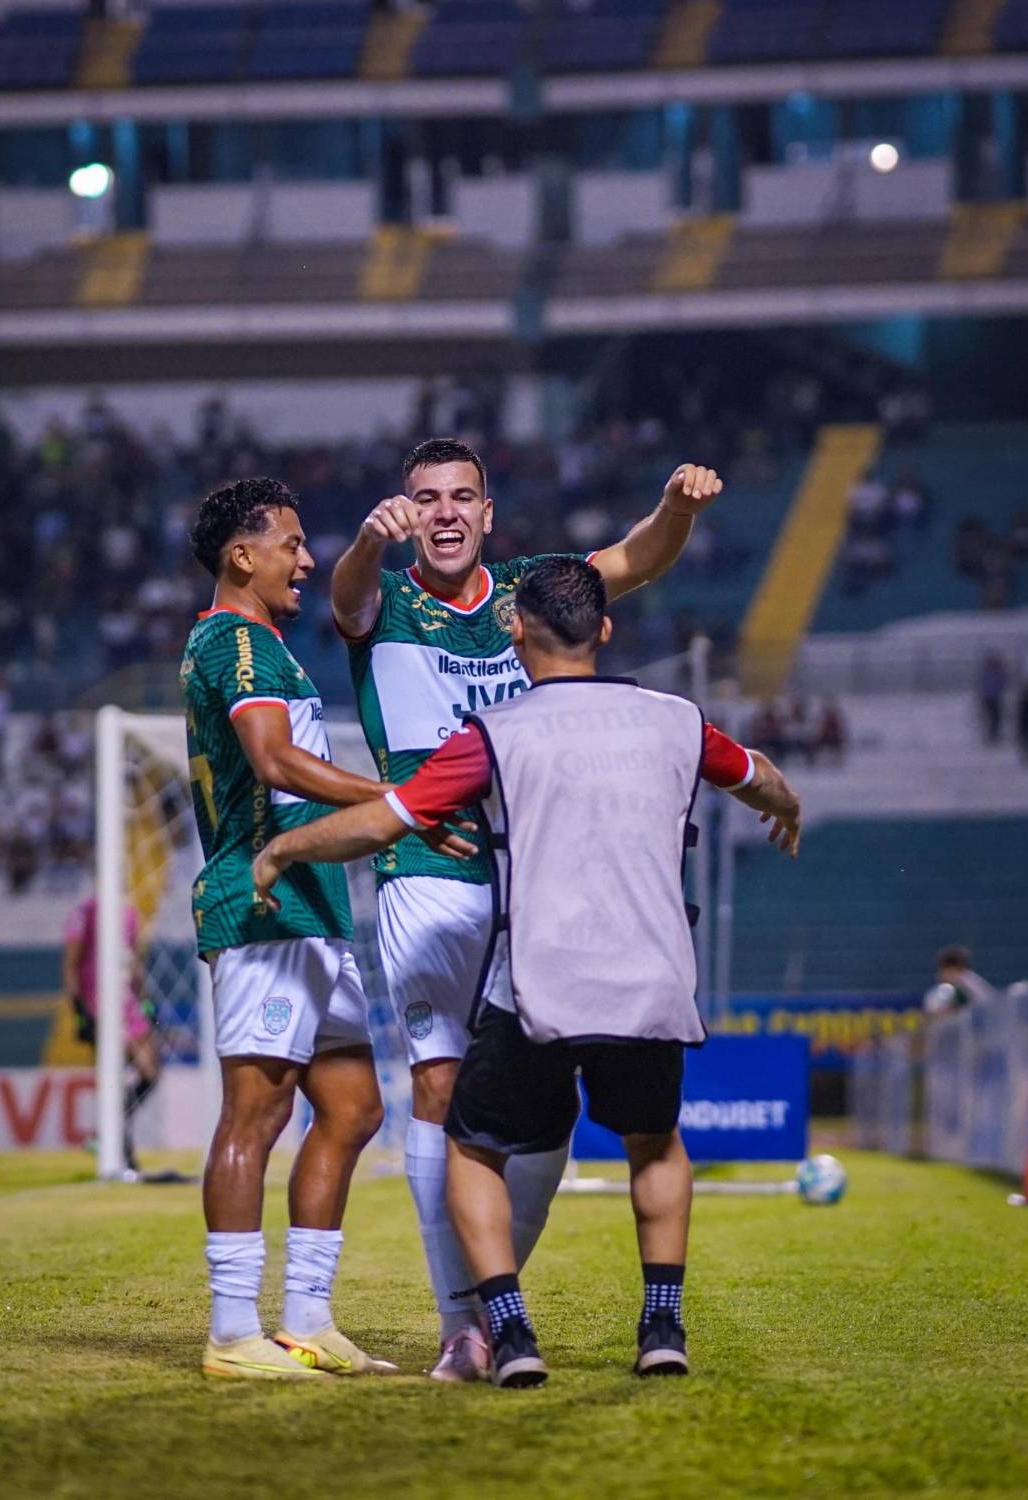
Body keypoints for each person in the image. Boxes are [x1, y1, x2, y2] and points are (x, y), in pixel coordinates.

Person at [253, 556, 801, 1387]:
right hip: (652, 979)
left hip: (539, 984)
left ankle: (506, 1331)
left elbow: (384, 822)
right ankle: (662, 1328)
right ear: (604, 629)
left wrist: (288, 846)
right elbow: (756, 774)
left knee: (471, 1146)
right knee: (654, 1142)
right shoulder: (678, 720)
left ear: (516, 632)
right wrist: (785, 806)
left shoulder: (496, 733)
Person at [330, 436, 724, 1380]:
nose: (445, 512)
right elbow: (347, 599)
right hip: (426, 871)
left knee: (537, 1112)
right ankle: (461, 1326)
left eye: (461, 496)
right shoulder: (386, 598)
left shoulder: (528, 592)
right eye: (427, 498)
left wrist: (676, 507)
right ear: (409, 513)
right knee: (439, 1088)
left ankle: (491, 1300)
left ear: (488, 511)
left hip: (538, 879)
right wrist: (366, 541)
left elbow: (635, 560)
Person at [181, 476, 473, 1383]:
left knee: (353, 1109)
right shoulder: (233, 640)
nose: (306, 561)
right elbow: (274, 761)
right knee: (257, 1112)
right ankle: (233, 1330)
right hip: (262, 905)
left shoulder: (264, 644)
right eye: (292, 544)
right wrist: (399, 801)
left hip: (311, 907)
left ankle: (308, 1320)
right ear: (242, 556)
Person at [62, 893, 159, 1175]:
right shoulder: (84, 913)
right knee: (117, 1079)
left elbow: (133, 960)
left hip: (128, 1004)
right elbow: (70, 964)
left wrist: (145, 999)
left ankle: (105, 1133)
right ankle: (123, 1156)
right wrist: (79, 1010)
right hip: (99, 1006)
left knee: (150, 1073)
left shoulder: (129, 913)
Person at [922, 945, 999, 1017]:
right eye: (946, 971)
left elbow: (991, 1005)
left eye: (955, 971)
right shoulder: (936, 993)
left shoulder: (972, 982)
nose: (950, 975)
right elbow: (931, 1015)